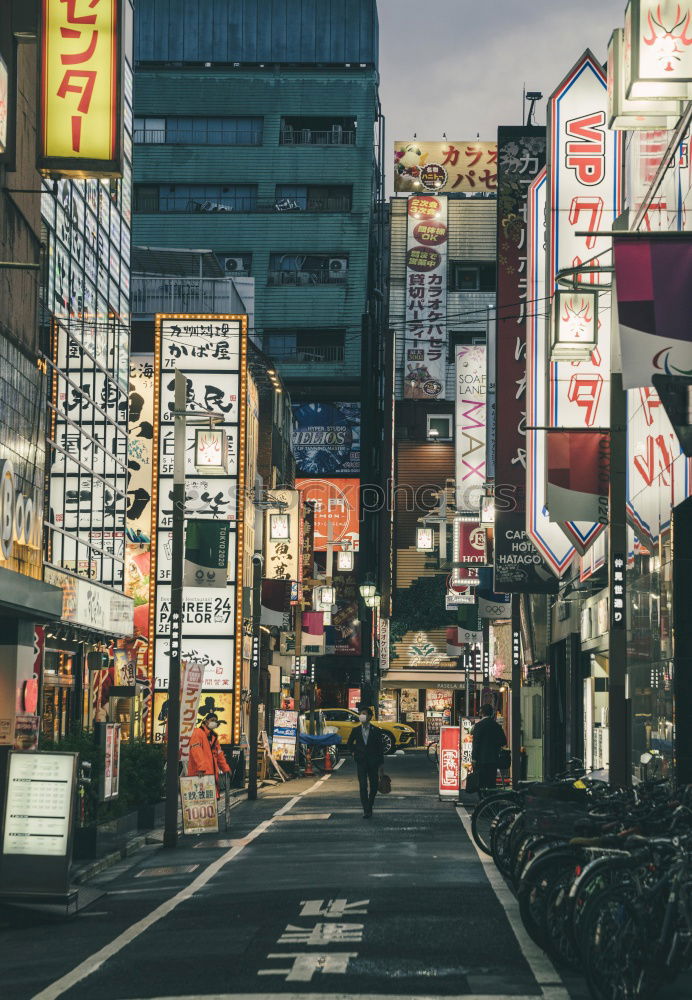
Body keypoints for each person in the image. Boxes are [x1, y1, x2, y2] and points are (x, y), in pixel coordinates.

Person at [347, 706, 385, 819]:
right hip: (361, 761)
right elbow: (349, 743)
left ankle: (370, 803)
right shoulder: (356, 730)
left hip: (373, 762)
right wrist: (354, 753)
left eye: (363, 713)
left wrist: (381, 764)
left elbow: (380, 748)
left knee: (373, 785)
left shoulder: (376, 731)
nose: (361, 716)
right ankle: (366, 809)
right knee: (362, 786)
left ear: (369, 716)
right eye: (360, 713)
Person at [187, 712, 231, 797]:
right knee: (199, 802)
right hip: (199, 774)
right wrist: (201, 768)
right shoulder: (197, 732)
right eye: (212, 720)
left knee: (209, 803)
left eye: (215, 721)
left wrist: (225, 768)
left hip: (210, 777)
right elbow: (196, 751)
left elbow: (219, 755)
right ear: (206, 721)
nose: (214, 722)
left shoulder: (213, 737)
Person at [471, 704, 507, 796]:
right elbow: (503, 741)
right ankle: (491, 802)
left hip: (480, 760)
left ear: (482, 713)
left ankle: (483, 802)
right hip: (493, 759)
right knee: (491, 784)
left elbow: (476, 743)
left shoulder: (478, 726)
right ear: (491, 713)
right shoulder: (496, 726)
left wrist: (474, 758)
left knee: (481, 783)